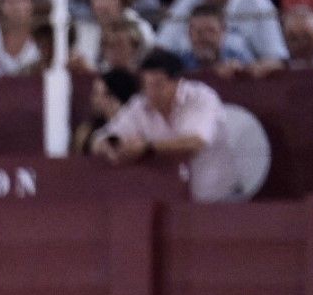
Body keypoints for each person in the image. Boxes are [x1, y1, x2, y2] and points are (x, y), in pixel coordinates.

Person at [94, 48, 241, 198]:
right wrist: (112, 146)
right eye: (147, 85)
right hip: (171, 197)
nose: (151, 93)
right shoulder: (139, 104)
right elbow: (101, 138)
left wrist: (147, 147)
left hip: (220, 194)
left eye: (158, 85)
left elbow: (195, 143)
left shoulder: (201, 97)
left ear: (177, 82)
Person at [156, 0, 286, 67]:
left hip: (240, 84)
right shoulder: (185, 1)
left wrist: (245, 69)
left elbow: (277, 59)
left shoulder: (258, 4)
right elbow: (162, 49)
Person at [182, 2, 251, 76]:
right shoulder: (180, 64)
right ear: (189, 33)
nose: (205, 37)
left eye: (210, 31)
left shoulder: (239, 58)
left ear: (223, 31)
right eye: (199, 32)